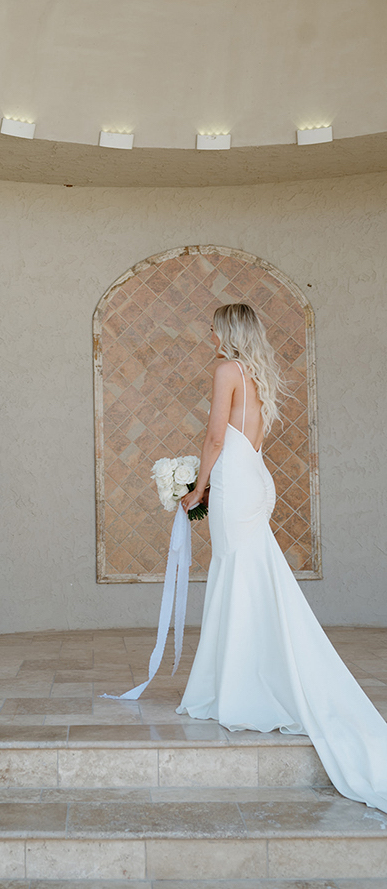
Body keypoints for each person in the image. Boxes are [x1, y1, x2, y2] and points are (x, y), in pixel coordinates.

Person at [178, 302, 387, 813]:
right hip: (257, 481)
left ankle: (242, 684)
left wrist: (196, 490)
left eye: (214, 326)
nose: (209, 333)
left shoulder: (226, 369)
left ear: (228, 331)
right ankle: (239, 676)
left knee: (237, 576)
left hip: (233, 481)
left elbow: (213, 436)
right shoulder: (257, 374)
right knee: (246, 576)